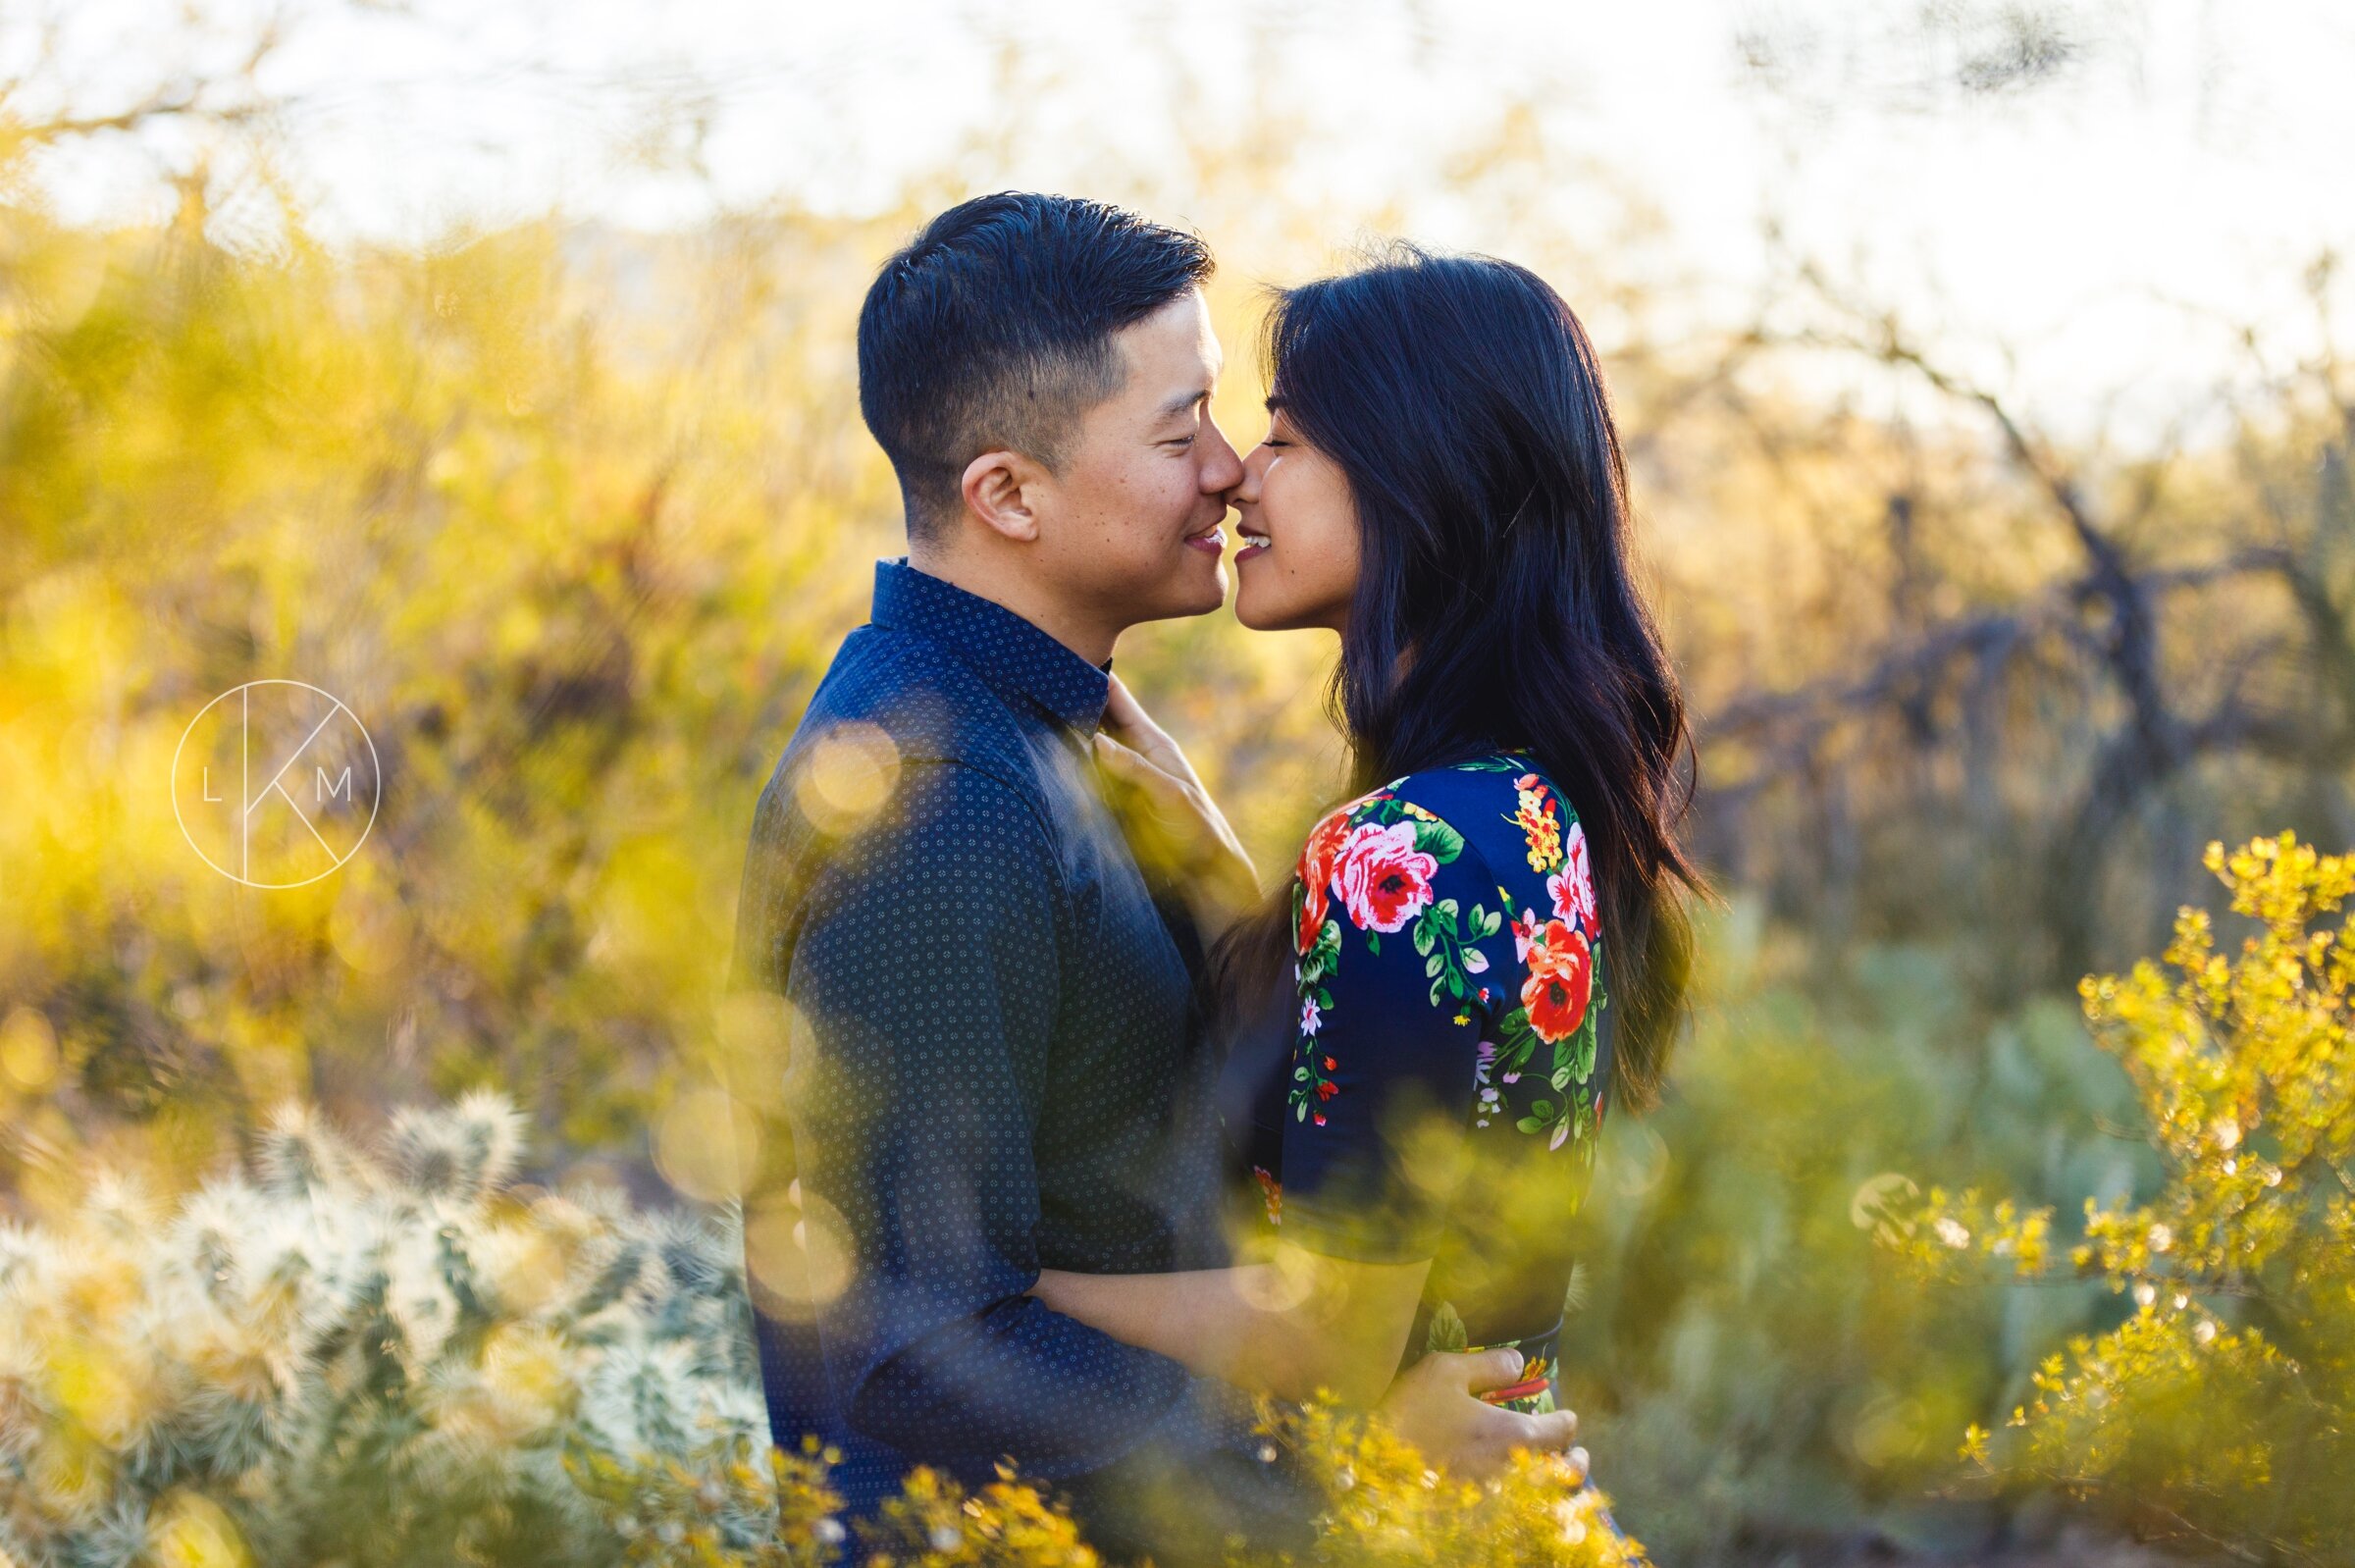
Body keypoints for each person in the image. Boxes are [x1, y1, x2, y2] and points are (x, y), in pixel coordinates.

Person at [724, 196, 1581, 1567]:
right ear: (1009, 492)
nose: (1233, 469)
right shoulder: (936, 798)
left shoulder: (1067, 744)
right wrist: (1328, 1453)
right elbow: (910, 1345)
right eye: (1182, 433)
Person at [1030, 243, 1715, 1534]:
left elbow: (1328, 1331)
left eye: (1286, 438)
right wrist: (1227, 862)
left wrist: (1016, 1288)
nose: (1237, 475)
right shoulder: (1528, 807)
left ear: (1422, 471)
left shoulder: (1408, 853)